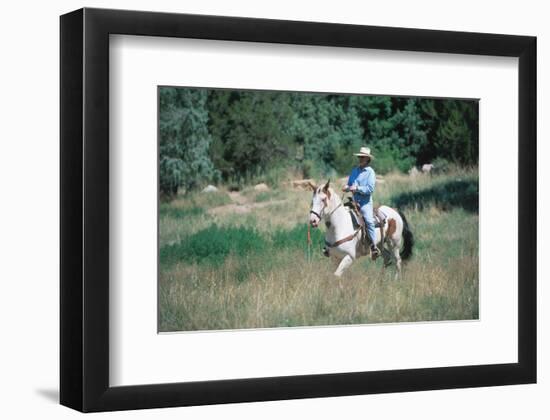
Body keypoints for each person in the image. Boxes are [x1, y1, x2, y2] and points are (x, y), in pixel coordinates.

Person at [342, 146, 380, 258]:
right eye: (360, 157)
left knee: (368, 221)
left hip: (365, 203)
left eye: (363, 157)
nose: (360, 159)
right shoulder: (354, 170)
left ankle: (373, 246)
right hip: (353, 201)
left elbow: (370, 189)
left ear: (368, 159)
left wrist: (357, 188)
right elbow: (349, 184)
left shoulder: (370, 172)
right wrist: (346, 187)